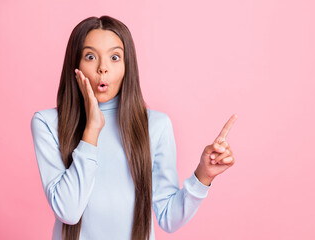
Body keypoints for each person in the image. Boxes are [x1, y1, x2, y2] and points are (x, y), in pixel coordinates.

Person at [30, 15, 237, 240]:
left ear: (128, 66)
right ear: (75, 65)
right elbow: (67, 211)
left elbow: (168, 218)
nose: (103, 69)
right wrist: (92, 129)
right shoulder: (47, 123)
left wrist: (203, 176)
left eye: (115, 57)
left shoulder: (156, 125)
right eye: (90, 56)